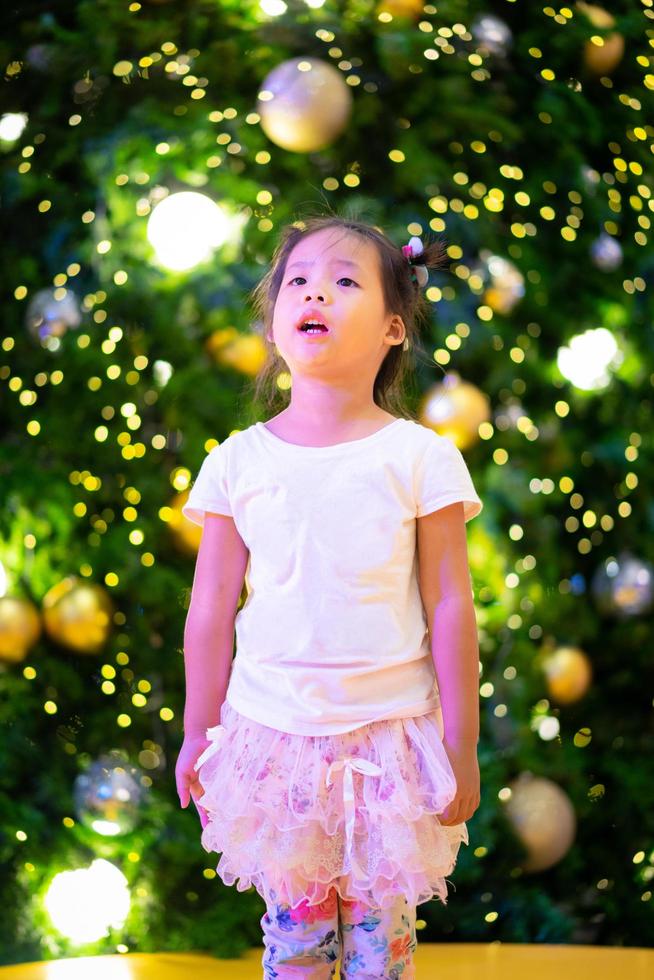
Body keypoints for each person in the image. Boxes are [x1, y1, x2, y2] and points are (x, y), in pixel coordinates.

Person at [175, 215, 483, 979]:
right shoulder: (238, 461)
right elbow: (211, 608)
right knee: (296, 949)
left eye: (345, 281)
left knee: (384, 956)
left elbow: (450, 604)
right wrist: (195, 732)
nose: (317, 291)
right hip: (273, 744)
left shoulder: (418, 457)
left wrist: (463, 743)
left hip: (389, 746)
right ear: (277, 324)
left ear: (391, 329)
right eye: (299, 281)